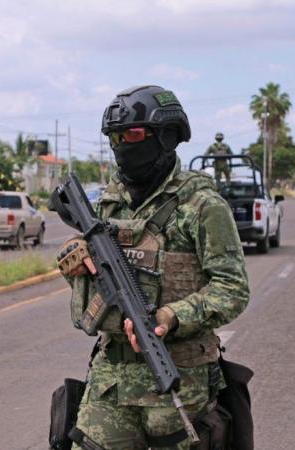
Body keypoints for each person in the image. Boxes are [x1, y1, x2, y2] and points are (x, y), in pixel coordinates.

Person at [58, 85, 249, 449]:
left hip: (179, 380)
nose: (121, 145)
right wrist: (73, 253)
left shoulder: (203, 205)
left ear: (166, 136)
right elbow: (88, 260)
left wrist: (172, 316)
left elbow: (233, 289)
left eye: (131, 134)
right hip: (111, 380)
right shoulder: (110, 203)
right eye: (114, 136)